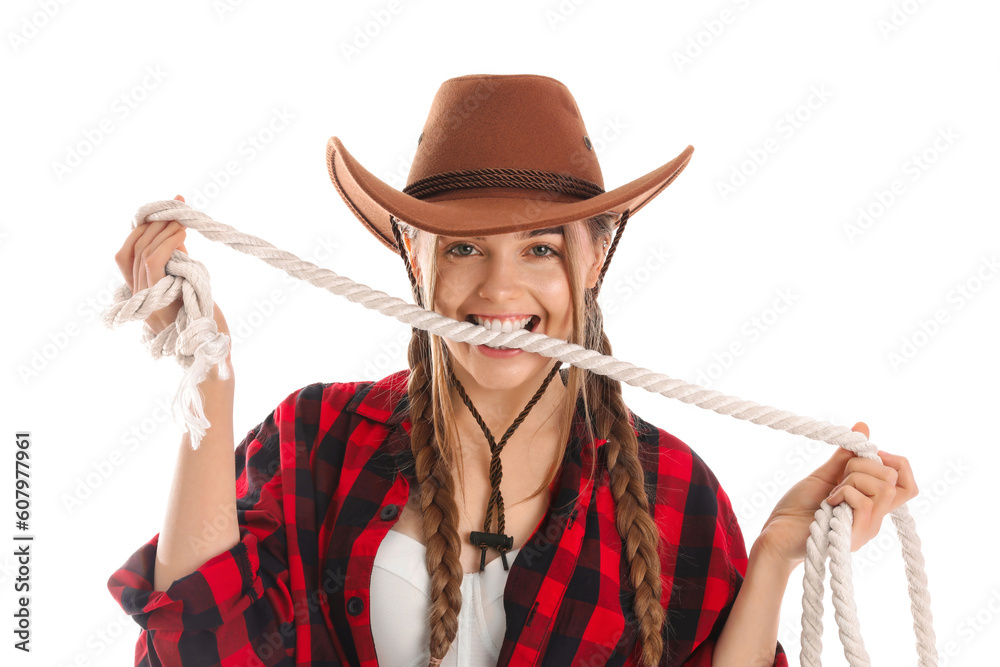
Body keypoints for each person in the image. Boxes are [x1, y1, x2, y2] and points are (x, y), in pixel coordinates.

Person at [107, 74, 917, 667]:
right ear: (413, 259)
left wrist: (776, 551)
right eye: (463, 246)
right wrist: (205, 378)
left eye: (539, 248)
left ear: (595, 259)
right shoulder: (314, 439)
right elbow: (202, 648)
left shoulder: (673, 489)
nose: (499, 291)